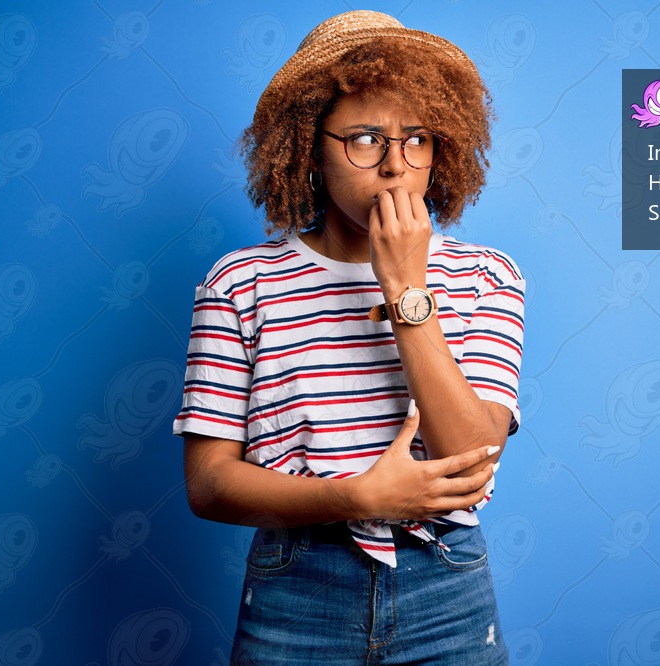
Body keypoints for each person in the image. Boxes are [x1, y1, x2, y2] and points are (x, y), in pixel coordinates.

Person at [173, 10, 525, 665]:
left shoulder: (487, 276)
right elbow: (209, 484)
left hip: (445, 588)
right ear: (308, 146)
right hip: (297, 587)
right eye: (366, 138)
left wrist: (404, 290)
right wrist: (355, 496)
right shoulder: (240, 284)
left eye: (416, 138)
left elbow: (474, 459)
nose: (396, 166)